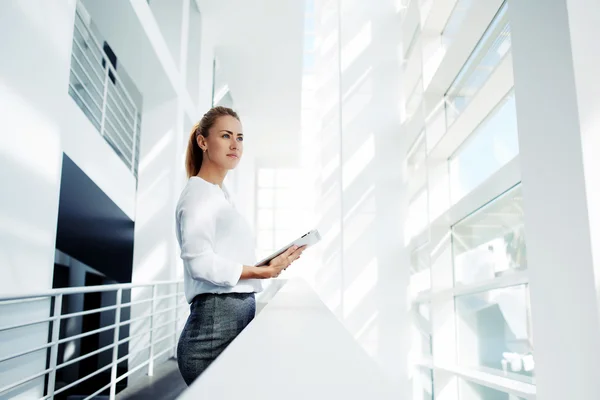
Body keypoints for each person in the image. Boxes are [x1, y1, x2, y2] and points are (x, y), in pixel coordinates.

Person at [175, 106, 306, 385]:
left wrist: (272, 265)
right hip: (211, 336)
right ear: (203, 142)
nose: (235, 144)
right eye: (225, 135)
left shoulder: (219, 196)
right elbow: (199, 263)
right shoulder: (198, 194)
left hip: (228, 323)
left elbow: (227, 257)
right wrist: (262, 273)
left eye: (240, 137)